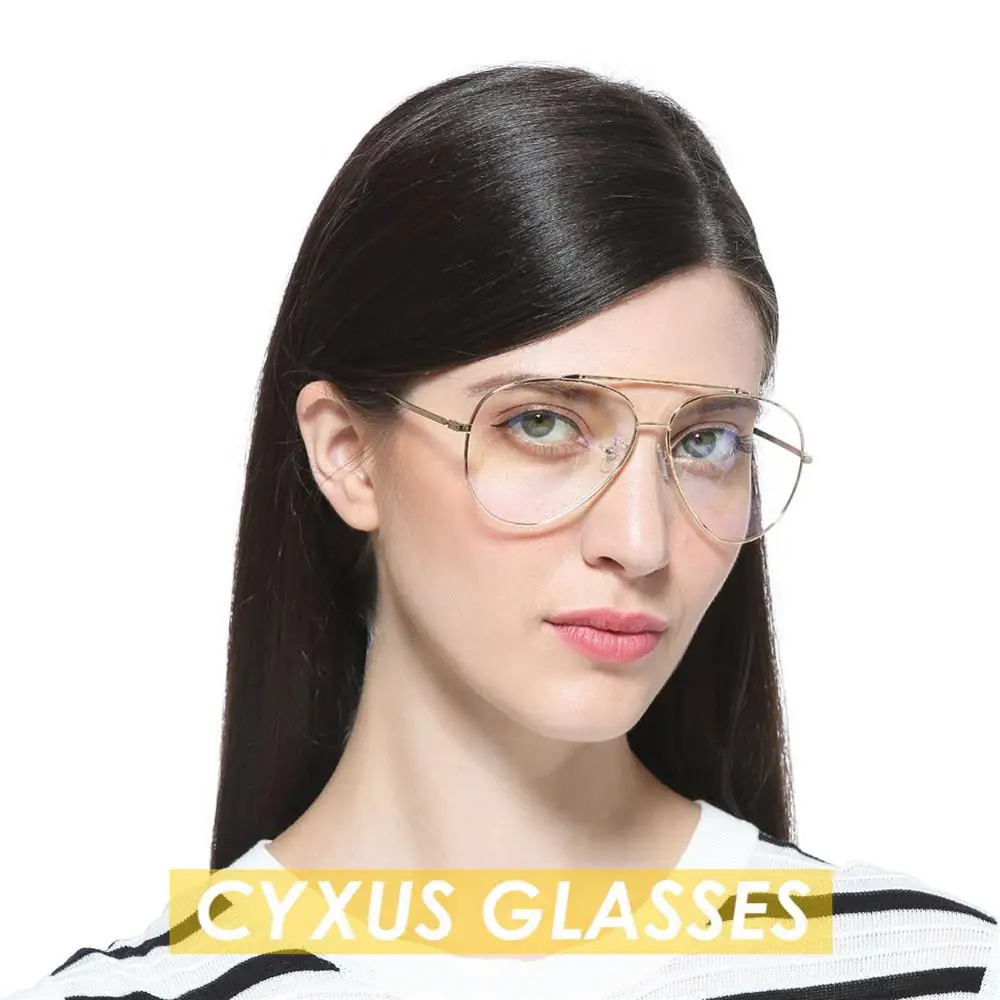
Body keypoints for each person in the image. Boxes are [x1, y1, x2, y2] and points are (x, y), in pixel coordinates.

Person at [7, 62, 996, 1000]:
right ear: (348, 454)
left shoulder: (944, 971)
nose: (641, 540)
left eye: (706, 441)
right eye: (543, 424)